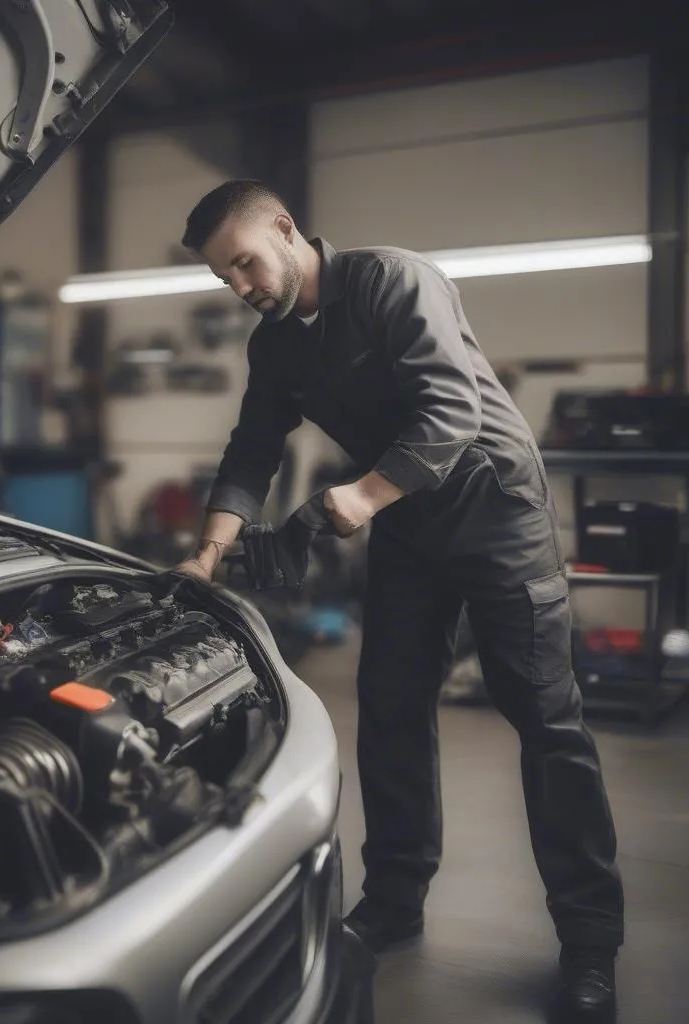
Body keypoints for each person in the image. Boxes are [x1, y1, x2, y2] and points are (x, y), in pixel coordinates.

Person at [174, 180, 623, 1024]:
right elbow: (252, 446)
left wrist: (362, 498)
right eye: (221, 278)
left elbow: (451, 408)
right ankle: (394, 899)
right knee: (388, 705)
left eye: (244, 262)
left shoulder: (391, 281)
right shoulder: (275, 348)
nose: (240, 286)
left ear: (285, 228)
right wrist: (208, 555)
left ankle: (591, 939)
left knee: (545, 718)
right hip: (409, 523)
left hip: (496, 511)